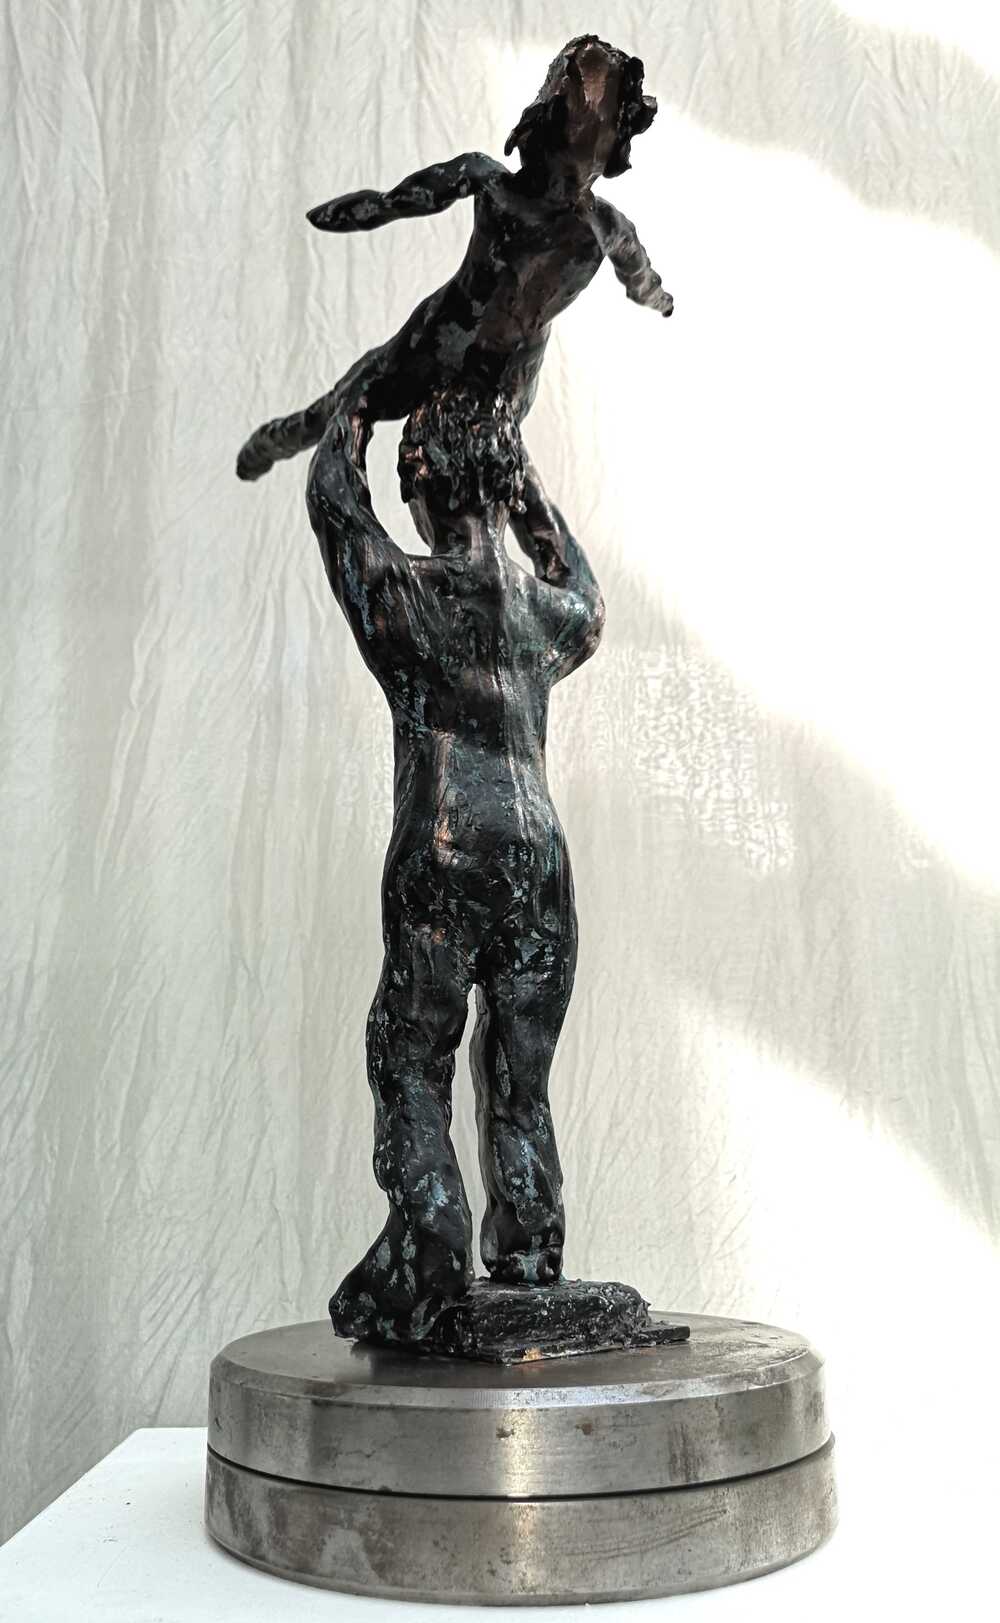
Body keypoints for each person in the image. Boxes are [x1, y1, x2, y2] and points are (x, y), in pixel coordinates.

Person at [307, 386, 604, 1342]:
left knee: (410, 1049)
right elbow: (588, 598)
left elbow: (333, 506)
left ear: (422, 486)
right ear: (504, 490)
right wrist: (526, 487)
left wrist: (354, 413)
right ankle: (530, 1250)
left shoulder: (407, 596)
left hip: (444, 847)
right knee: (520, 1073)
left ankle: (431, 1222)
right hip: (539, 860)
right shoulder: (541, 614)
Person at [237, 34, 670, 483]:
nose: (580, 138)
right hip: (448, 345)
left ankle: (278, 442)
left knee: (480, 480)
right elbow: (398, 201)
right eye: (576, 118)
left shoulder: (599, 226)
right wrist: (347, 213)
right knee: (348, 404)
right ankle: (274, 441)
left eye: (591, 126)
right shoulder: (510, 190)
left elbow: (644, 281)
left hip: (495, 374)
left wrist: (659, 298)